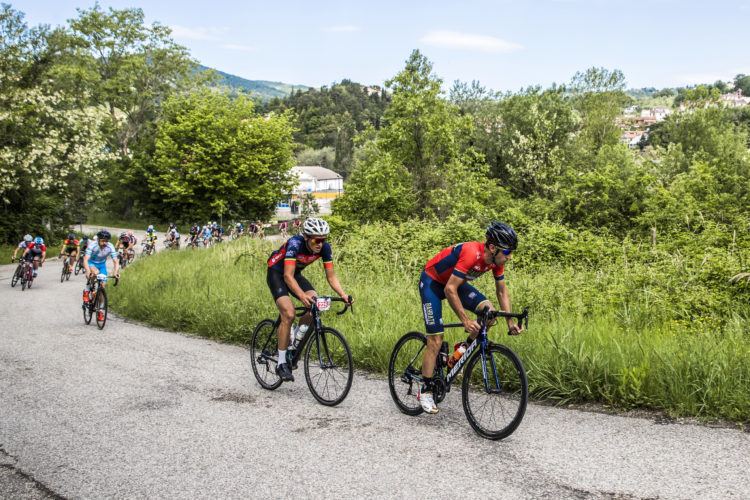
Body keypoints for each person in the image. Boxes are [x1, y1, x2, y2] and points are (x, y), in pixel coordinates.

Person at [416, 222, 523, 414]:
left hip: (456, 283)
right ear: (493, 247)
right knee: (435, 340)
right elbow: (449, 290)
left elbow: (501, 291)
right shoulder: (471, 253)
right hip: (433, 283)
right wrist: (466, 321)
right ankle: (425, 389)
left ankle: (461, 351)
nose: (510, 257)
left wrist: (509, 321)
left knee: (489, 312)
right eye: (507, 252)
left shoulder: (496, 261)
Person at [266, 217, 353, 382]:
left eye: (323, 239)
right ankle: (282, 362)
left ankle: (294, 341)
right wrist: (300, 295)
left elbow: (331, 276)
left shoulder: (324, 248)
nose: (320, 243)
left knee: (314, 304)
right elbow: (287, 276)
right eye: (316, 239)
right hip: (277, 272)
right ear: (306, 237)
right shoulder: (295, 244)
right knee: (289, 313)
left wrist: (343, 294)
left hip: (295, 274)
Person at [82, 230, 120, 319]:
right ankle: (87, 290)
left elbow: (115, 261)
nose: (104, 243)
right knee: (95, 273)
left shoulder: (110, 246)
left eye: (106, 241)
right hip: (92, 263)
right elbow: (85, 260)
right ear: (98, 240)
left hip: (102, 265)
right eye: (102, 241)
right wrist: (87, 271)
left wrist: (115, 273)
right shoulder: (92, 245)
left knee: (102, 287)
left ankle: (100, 311)